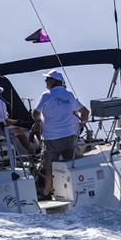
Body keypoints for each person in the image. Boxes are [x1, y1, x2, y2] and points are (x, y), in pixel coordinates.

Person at [32, 69, 90, 199]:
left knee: (48, 166)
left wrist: (38, 121)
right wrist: (81, 126)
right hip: (70, 137)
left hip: (51, 139)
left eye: (47, 79)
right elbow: (85, 112)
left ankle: (47, 192)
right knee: (71, 163)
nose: (45, 81)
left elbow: (35, 114)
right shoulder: (69, 95)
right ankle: (76, 191)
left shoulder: (46, 95)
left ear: (53, 81)